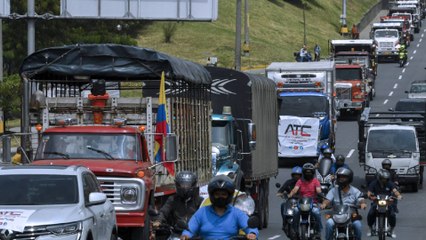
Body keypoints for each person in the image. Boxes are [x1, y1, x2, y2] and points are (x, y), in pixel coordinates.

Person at [180, 175, 258, 240]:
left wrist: (252, 234)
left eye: (223, 194)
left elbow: (250, 227)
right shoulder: (202, 212)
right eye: (217, 194)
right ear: (212, 195)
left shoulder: (236, 213)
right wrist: (185, 236)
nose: (220, 197)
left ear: (229, 195)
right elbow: (189, 230)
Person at [320, 167, 367, 240]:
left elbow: (361, 199)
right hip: (336, 214)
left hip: (351, 214)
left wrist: (363, 204)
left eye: (344, 177)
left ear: (349, 178)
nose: (341, 179)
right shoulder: (333, 190)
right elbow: (327, 200)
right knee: (329, 223)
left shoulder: (354, 190)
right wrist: (324, 204)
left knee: (358, 225)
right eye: (340, 177)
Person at [153, 171, 203, 236]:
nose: (185, 187)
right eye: (183, 185)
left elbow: (206, 216)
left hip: (195, 234)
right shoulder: (172, 199)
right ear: (177, 185)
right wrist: (158, 221)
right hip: (176, 233)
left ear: (193, 185)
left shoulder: (199, 200)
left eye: (187, 185)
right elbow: (163, 212)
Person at [287, 163, 322, 237]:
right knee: (295, 211)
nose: (308, 174)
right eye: (306, 172)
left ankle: (318, 230)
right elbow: (295, 190)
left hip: (313, 202)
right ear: (303, 172)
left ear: (312, 173)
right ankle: (295, 229)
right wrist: (290, 195)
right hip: (301, 202)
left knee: (317, 213)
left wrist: (321, 195)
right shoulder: (300, 181)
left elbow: (318, 190)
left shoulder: (316, 181)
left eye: (309, 172)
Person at [367, 169, 402, 238]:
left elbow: (395, 191)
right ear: (379, 178)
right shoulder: (374, 183)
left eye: (386, 179)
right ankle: (370, 228)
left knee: (392, 214)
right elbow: (369, 192)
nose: (384, 180)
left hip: (387, 202)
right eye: (383, 179)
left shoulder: (390, 183)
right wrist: (370, 196)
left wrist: (398, 195)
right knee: (370, 213)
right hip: (377, 202)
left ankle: (391, 230)